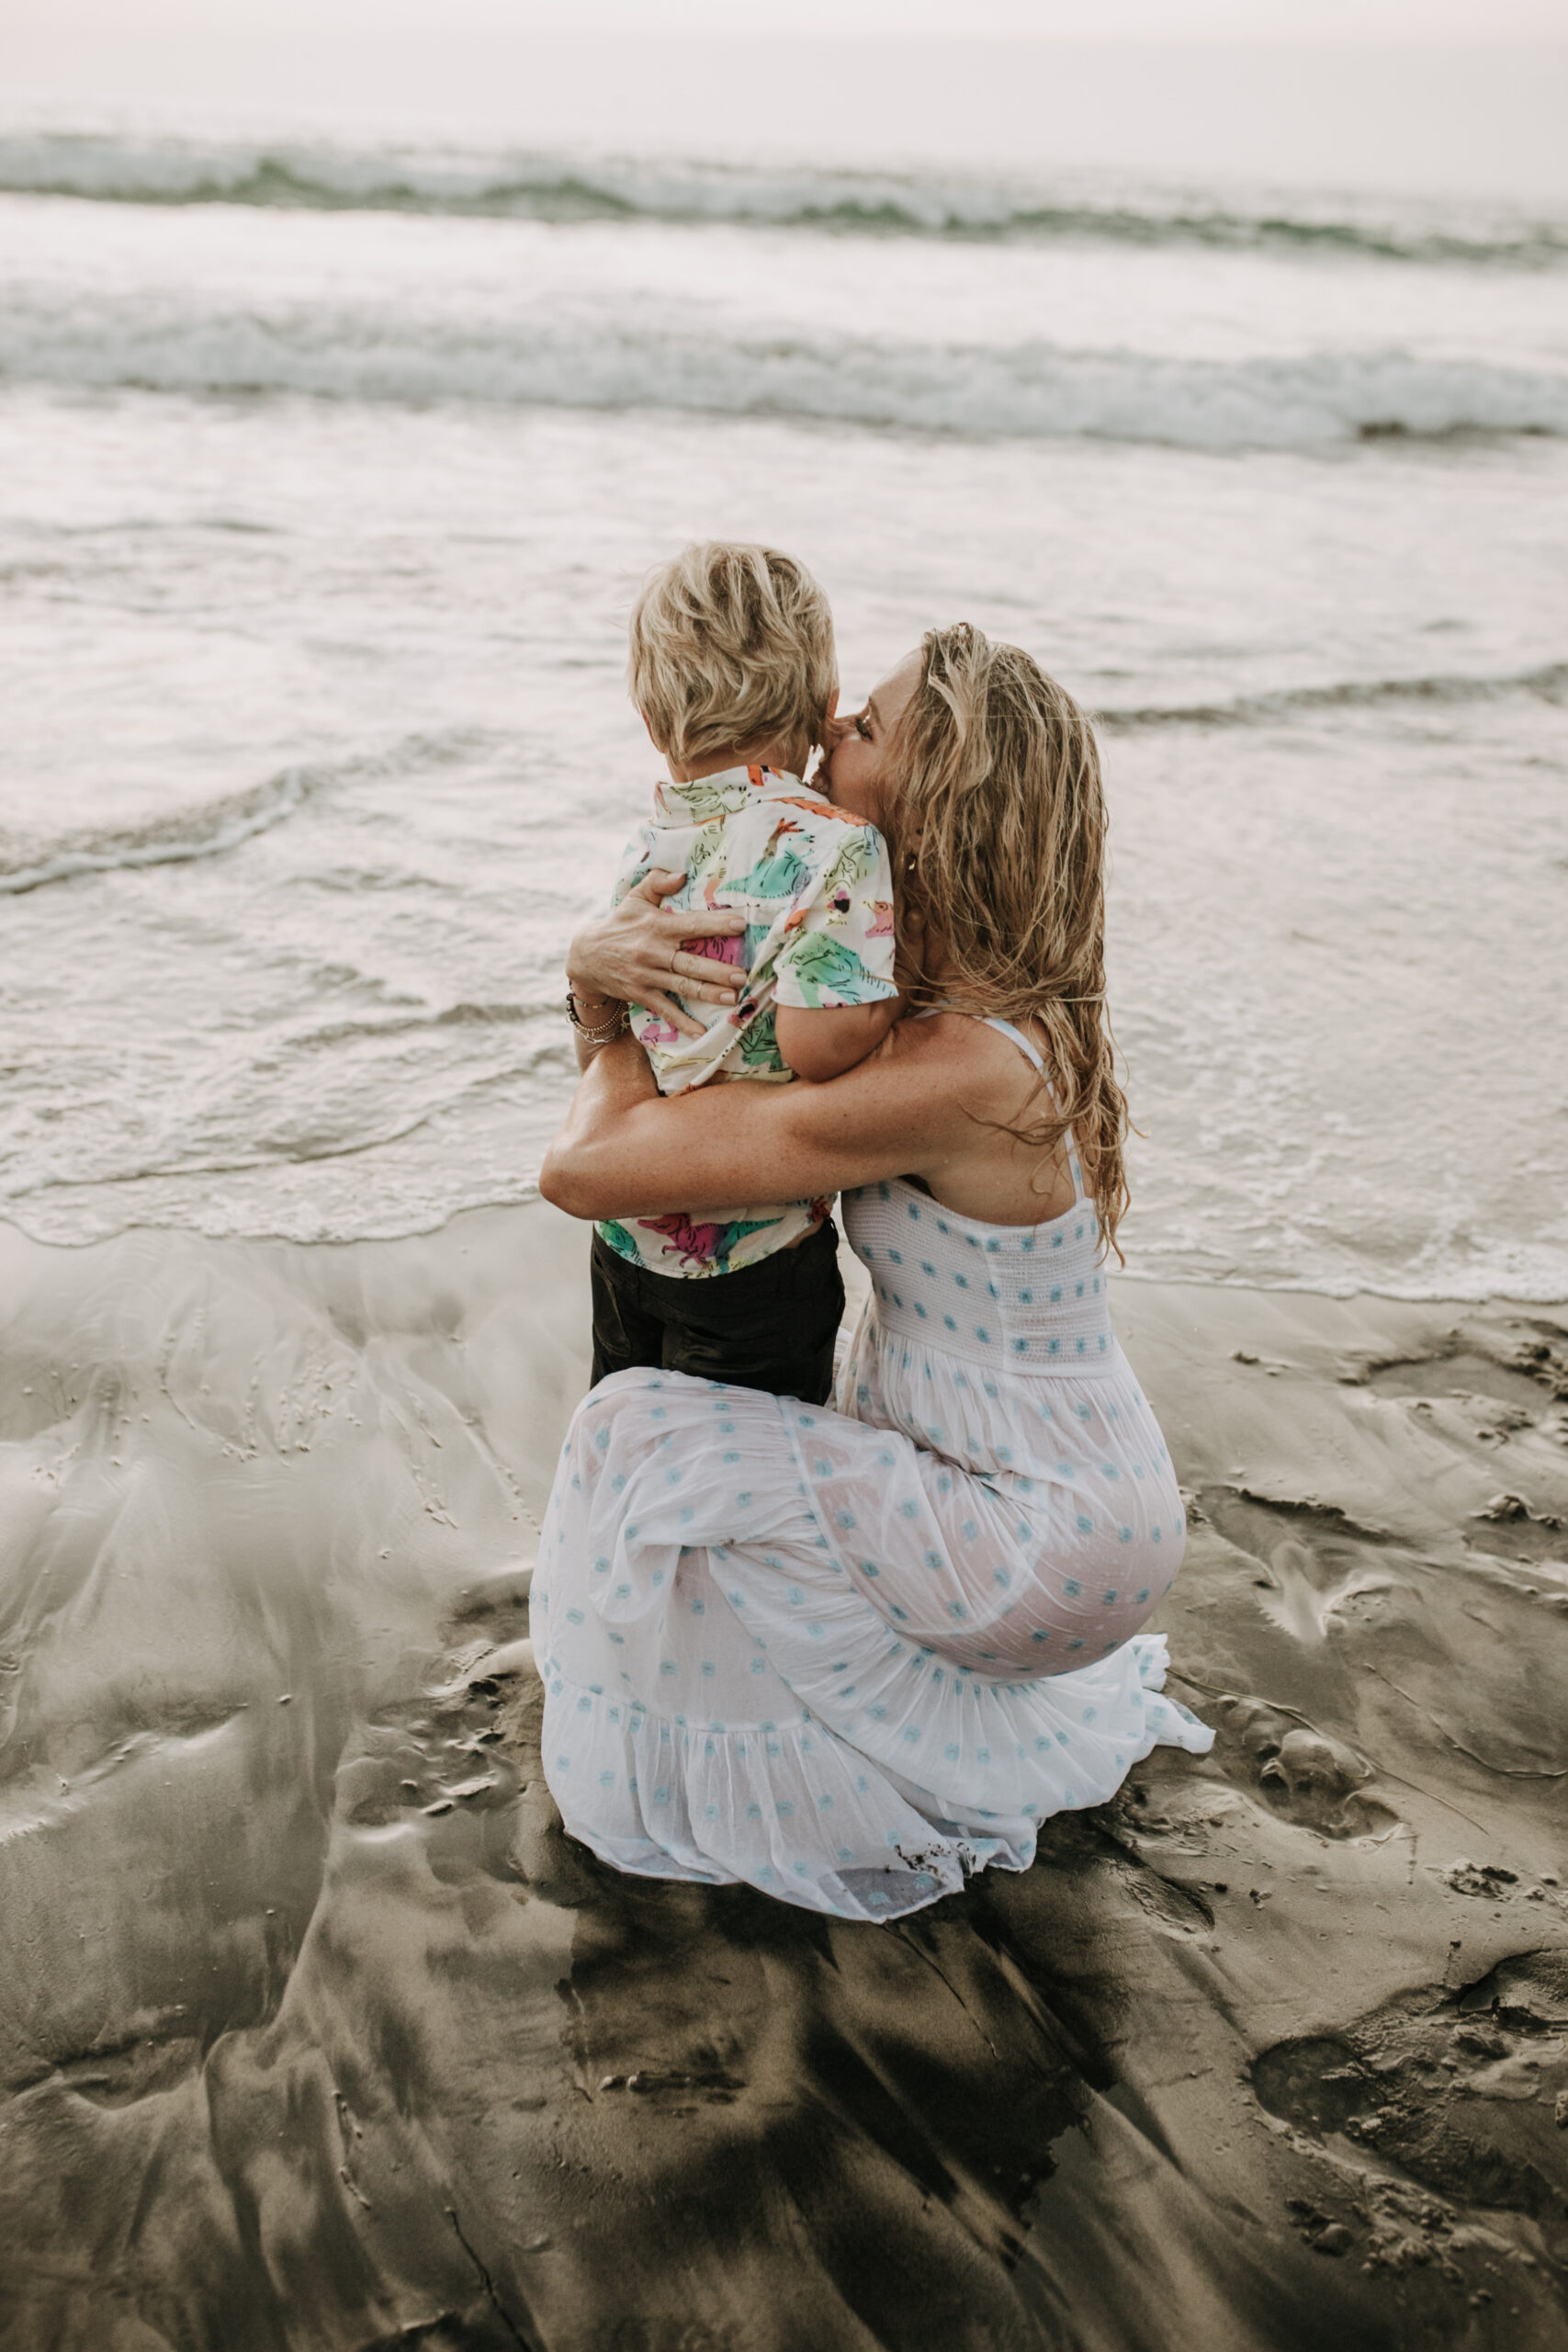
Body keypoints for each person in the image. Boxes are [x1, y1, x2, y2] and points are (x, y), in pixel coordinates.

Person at [535, 623, 1212, 1922]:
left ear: (931, 797)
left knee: (641, 1434)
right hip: (1070, 1503)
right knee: (736, 1443)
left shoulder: (956, 1072)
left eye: (870, 726)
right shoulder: (969, 1006)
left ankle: (719, 1786)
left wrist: (595, 999)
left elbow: (591, 1172)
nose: (833, 721)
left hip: (1034, 1538)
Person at [575, 541, 903, 1408]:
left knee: (629, 1447)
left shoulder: (645, 851)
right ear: (821, 705)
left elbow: (614, 1056)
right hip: (755, 1259)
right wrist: (894, 1003)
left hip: (626, 1236)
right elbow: (819, 1043)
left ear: (650, 718)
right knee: (746, 1488)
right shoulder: (836, 843)